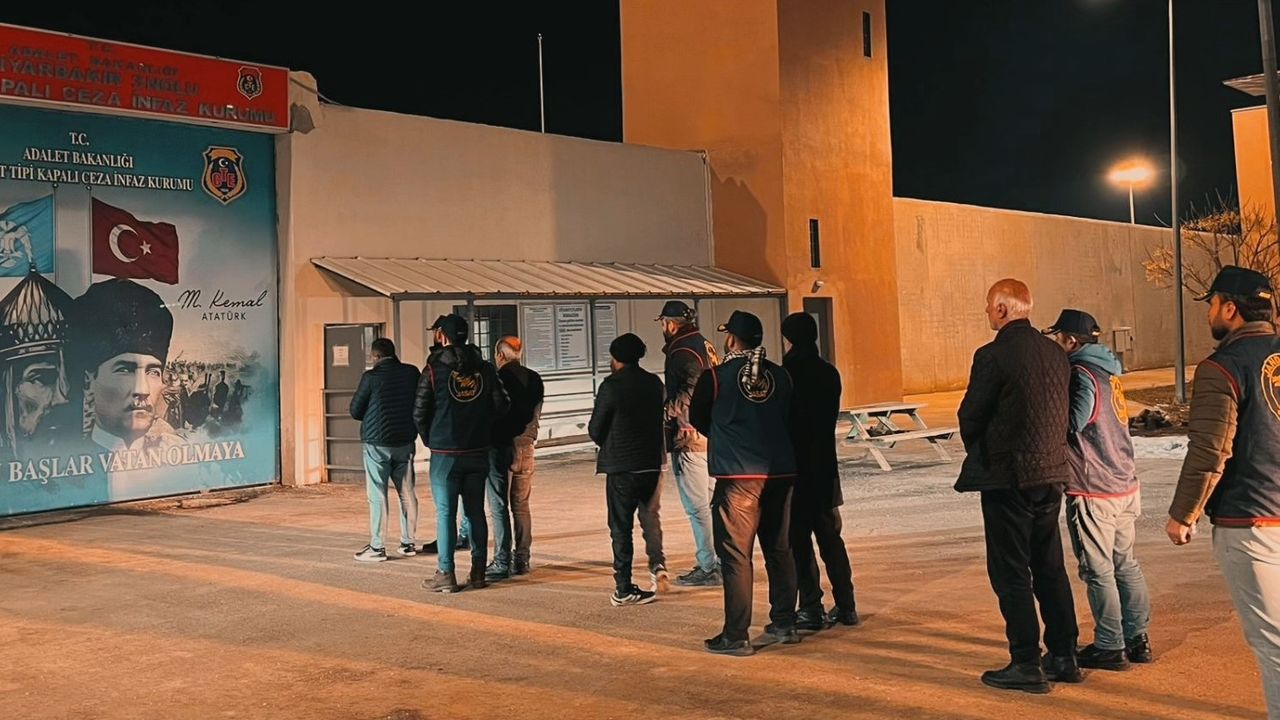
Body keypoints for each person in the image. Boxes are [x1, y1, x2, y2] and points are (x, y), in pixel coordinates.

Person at [955, 278, 1080, 694]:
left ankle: (1026, 661)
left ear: (1002, 309)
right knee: (1049, 566)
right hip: (1051, 473)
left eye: (989, 306)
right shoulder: (1055, 352)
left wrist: (983, 452)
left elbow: (971, 414)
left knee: (1010, 572)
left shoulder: (992, 355)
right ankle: (1064, 654)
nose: (987, 313)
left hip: (1009, 476)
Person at [1166, 266, 1280, 718]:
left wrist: (1184, 514)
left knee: (1273, 645)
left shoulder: (1222, 367)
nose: (1209, 312)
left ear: (1230, 308)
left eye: (1212, 303)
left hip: (1250, 520)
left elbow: (1210, 450)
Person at [1045, 309, 1152, 670]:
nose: (1056, 343)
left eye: (1058, 337)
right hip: (1123, 482)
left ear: (1070, 341)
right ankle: (1137, 638)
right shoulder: (1108, 372)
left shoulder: (1081, 373)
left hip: (1094, 488)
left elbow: (1075, 421)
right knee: (1125, 563)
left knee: (1098, 569)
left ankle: (1109, 644)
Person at [689, 310, 797, 656]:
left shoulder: (714, 377)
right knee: (779, 549)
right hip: (780, 471)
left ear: (732, 339)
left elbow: (698, 418)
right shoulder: (780, 375)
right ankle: (785, 623)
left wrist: (728, 436)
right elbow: (788, 416)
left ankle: (736, 635)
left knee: (736, 555)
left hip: (737, 474)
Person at [413, 314, 508, 593]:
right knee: (476, 511)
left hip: (445, 452)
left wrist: (432, 439)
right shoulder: (485, 369)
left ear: (442, 336)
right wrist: (481, 426)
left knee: (445, 513)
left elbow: (419, 412)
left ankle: (446, 573)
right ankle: (478, 572)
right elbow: (502, 405)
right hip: (477, 450)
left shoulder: (433, 370)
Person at [780, 312, 857, 631]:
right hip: (825, 467)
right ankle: (847, 605)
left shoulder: (786, 374)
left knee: (799, 542)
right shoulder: (829, 372)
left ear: (788, 339)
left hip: (795, 469)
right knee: (831, 540)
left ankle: (811, 607)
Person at [589, 333, 667, 606]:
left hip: (621, 466)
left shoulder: (611, 386)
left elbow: (595, 429)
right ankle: (658, 564)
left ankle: (623, 587)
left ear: (615, 357)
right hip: (650, 464)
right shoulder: (654, 383)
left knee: (621, 528)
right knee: (650, 517)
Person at [73, 279, 182, 455]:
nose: (142, 390)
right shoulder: (70, 460)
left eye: (153, 372)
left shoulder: (175, 458)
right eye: (124, 370)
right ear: (88, 382)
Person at [657, 300, 722, 587]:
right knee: (711, 504)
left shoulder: (682, 350)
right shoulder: (702, 343)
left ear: (670, 324)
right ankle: (721, 561)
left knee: (698, 508)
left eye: (663, 323)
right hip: (711, 434)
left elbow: (692, 389)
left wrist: (667, 410)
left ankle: (710, 566)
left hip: (690, 436)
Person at [476, 335, 544, 579]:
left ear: (500, 355)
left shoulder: (497, 378)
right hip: (527, 446)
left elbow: (492, 413)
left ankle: (501, 560)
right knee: (521, 505)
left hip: (501, 447)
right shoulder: (535, 378)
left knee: (498, 504)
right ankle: (522, 559)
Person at [350, 338, 422, 563]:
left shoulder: (371, 377)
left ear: (375, 356)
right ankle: (408, 543)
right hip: (405, 441)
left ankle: (377, 546)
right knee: (407, 492)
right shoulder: (411, 373)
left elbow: (355, 410)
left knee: (378, 494)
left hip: (377, 443)